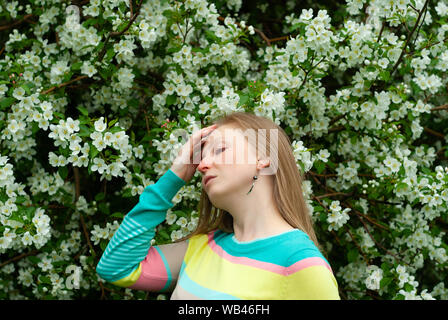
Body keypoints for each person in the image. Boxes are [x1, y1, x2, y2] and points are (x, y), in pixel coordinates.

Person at [96, 111, 340, 300]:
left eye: (220, 149)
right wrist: (175, 176)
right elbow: (115, 268)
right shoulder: (202, 248)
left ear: (263, 159)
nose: (202, 165)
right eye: (201, 157)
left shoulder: (300, 263)